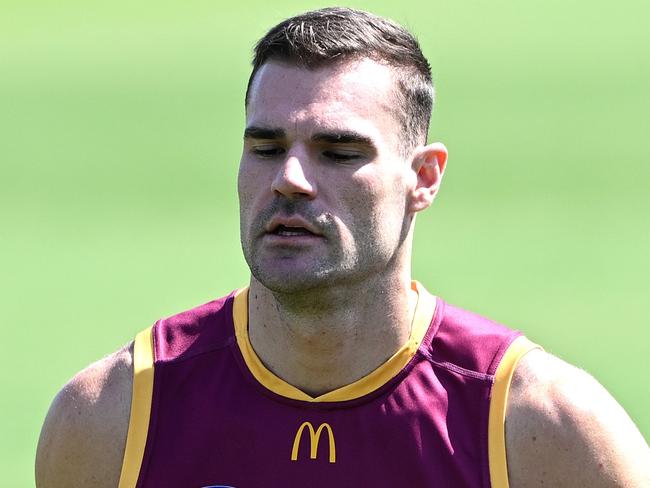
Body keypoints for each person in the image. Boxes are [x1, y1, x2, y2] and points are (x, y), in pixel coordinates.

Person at [35, 7, 649, 488]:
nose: (290, 179)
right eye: (266, 148)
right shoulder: (114, 418)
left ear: (424, 178)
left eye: (339, 152)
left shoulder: (542, 428)